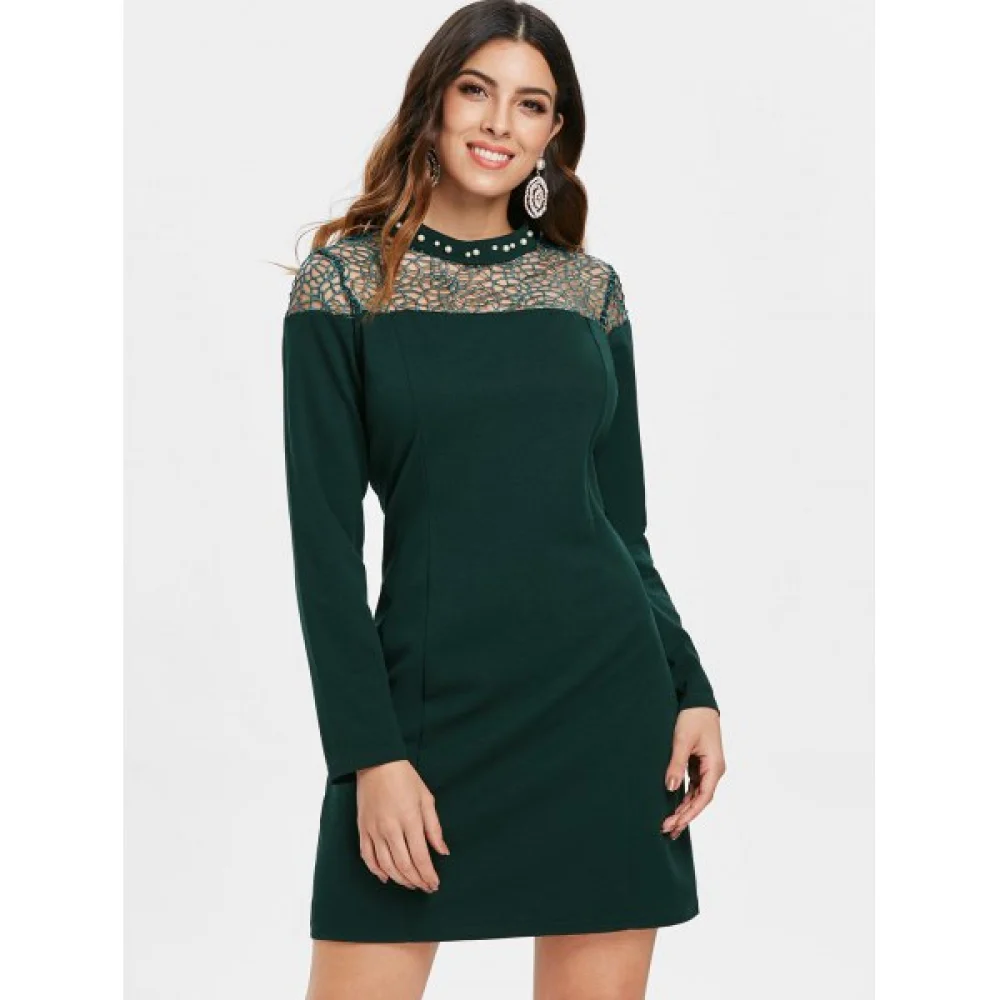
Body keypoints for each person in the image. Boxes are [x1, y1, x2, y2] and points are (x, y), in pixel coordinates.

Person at [280, 2, 726, 996]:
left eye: (531, 104)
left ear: (553, 131)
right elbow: (324, 549)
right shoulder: (344, 284)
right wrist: (368, 757)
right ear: (433, 103)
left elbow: (621, 526)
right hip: (427, 719)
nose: (498, 122)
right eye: (475, 90)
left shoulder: (587, 291)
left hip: (604, 708)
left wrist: (690, 686)